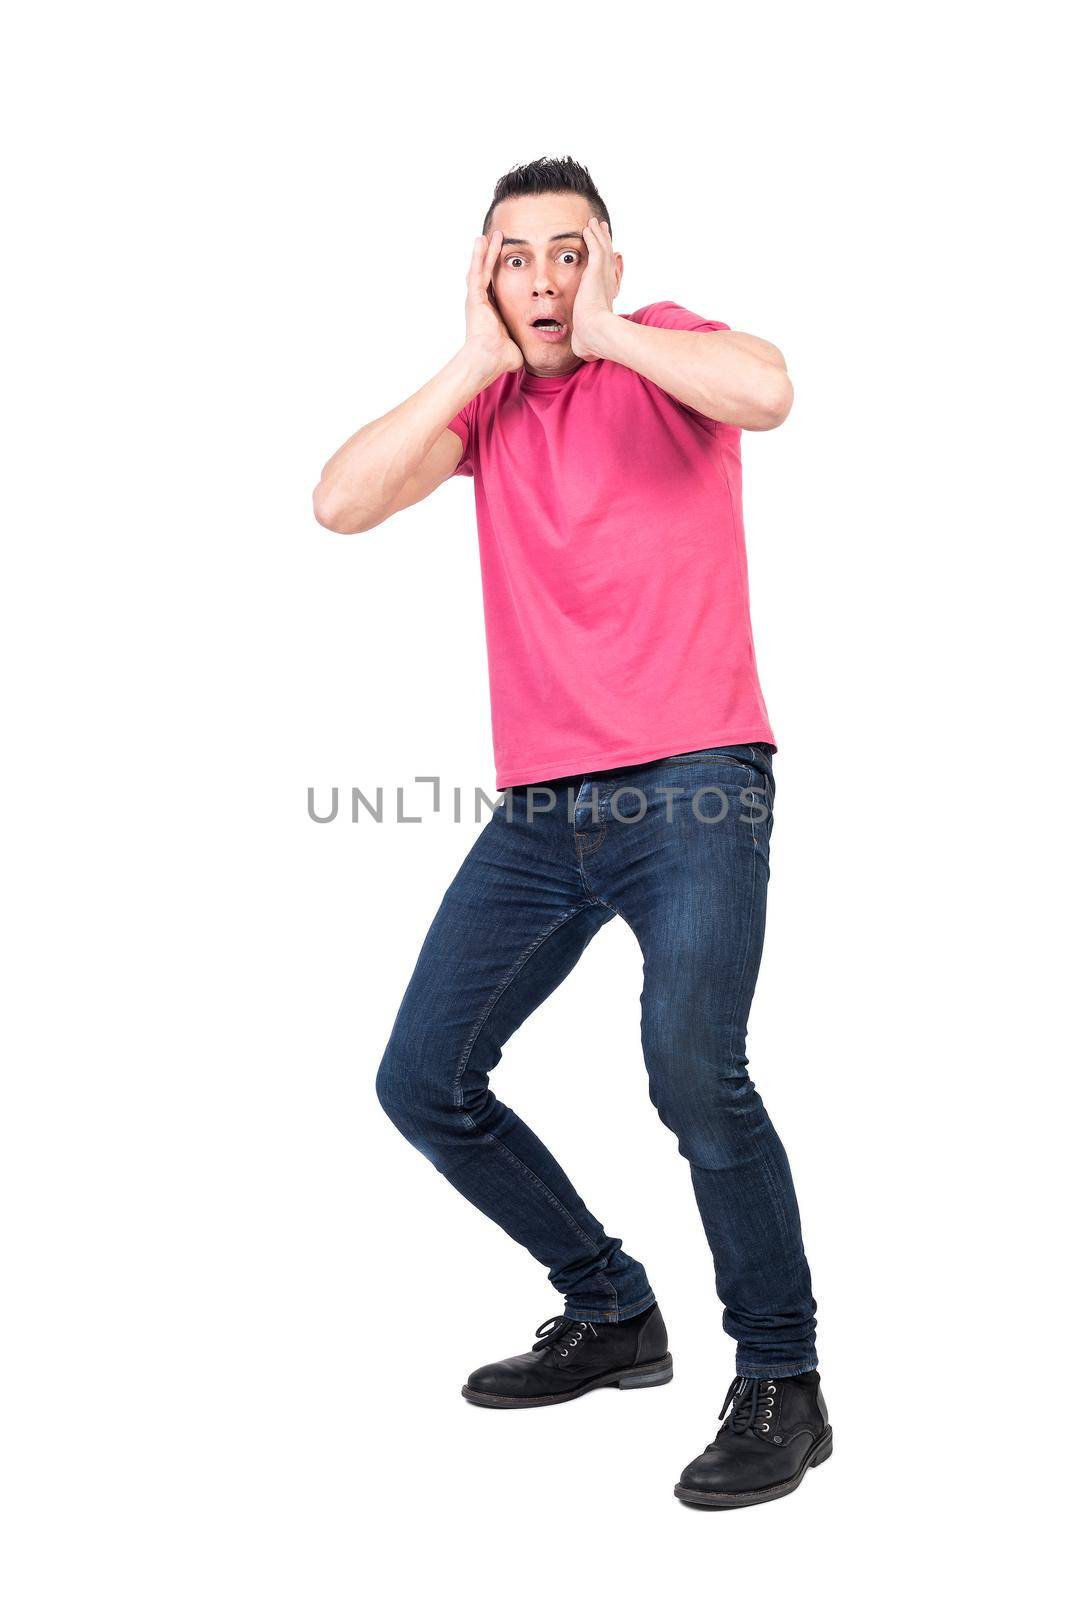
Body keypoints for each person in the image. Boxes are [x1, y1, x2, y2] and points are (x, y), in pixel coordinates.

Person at [313, 156, 830, 1509]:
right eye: (513, 255)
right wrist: (466, 360)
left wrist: (606, 330)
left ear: (604, 257)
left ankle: (785, 1381)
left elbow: (771, 392)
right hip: (546, 810)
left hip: (698, 782)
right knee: (423, 1077)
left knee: (692, 1069)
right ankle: (612, 1311)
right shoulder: (484, 412)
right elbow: (340, 500)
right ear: (481, 270)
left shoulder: (663, 353)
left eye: (566, 252)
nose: (541, 279)